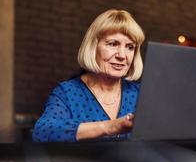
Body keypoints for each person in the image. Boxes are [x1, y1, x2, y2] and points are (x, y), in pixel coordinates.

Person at [32, 9, 145, 142]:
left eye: (130, 47)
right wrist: (111, 127)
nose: (121, 55)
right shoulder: (67, 92)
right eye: (113, 44)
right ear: (93, 46)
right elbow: (42, 132)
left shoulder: (141, 93)